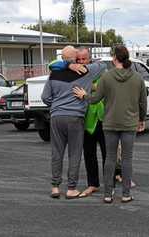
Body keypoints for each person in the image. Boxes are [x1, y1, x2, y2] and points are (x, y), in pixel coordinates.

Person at [73, 45, 147, 203]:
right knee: (127, 159)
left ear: (114, 58)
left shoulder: (106, 77)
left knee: (110, 159)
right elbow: (142, 102)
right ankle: (126, 194)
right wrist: (142, 119)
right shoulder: (137, 77)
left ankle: (108, 194)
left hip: (110, 123)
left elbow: (95, 99)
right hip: (129, 123)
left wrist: (84, 95)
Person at [41, 46, 106, 199]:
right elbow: (103, 65)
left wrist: (57, 104)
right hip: (75, 117)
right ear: (75, 57)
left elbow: (45, 98)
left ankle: (55, 187)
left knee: (57, 153)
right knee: (74, 154)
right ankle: (71, 189)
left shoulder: (54, 73)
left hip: (56, 117)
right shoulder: (86, 71)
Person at [76, 47, 106, 198]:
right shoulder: (74, 74)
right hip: (86, 119)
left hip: (103, 118)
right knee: (89, 154)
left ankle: (111, 181)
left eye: (84, 59)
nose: (81, 62)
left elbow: (105, 89)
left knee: (109, 154)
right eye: (78, 60)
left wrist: (91, 88)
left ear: (90, 59)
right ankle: (92, 184)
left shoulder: (100, 71)